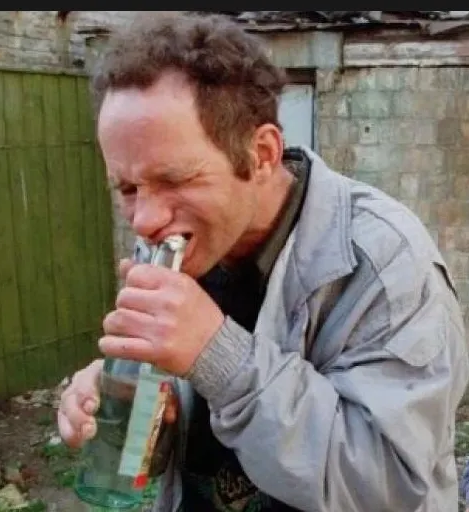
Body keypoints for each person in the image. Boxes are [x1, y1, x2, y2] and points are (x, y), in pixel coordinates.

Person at [58, 12, 469, 512]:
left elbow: (388, 488)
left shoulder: (386, 264)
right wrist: (144, 416)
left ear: (262, 153)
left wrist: (218, 356)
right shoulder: (172, 242)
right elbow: (191, 439)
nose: (144, 221)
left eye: (174, 179)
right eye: (127, 188)